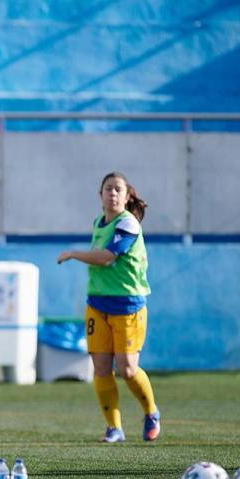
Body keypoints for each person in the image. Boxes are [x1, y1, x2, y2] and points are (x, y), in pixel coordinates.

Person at [57, 172, 160, 443]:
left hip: (127, 305)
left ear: (127, 197)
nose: (112, 194)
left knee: (127, 370)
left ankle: (151, 412)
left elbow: (106, 258)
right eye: (108, 189)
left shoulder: (128, 224)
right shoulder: (99, 222)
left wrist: (73, 254)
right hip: (97, 304)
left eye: (118, 190)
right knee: (101, 369)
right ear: (100, 195)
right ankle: (114, 428)